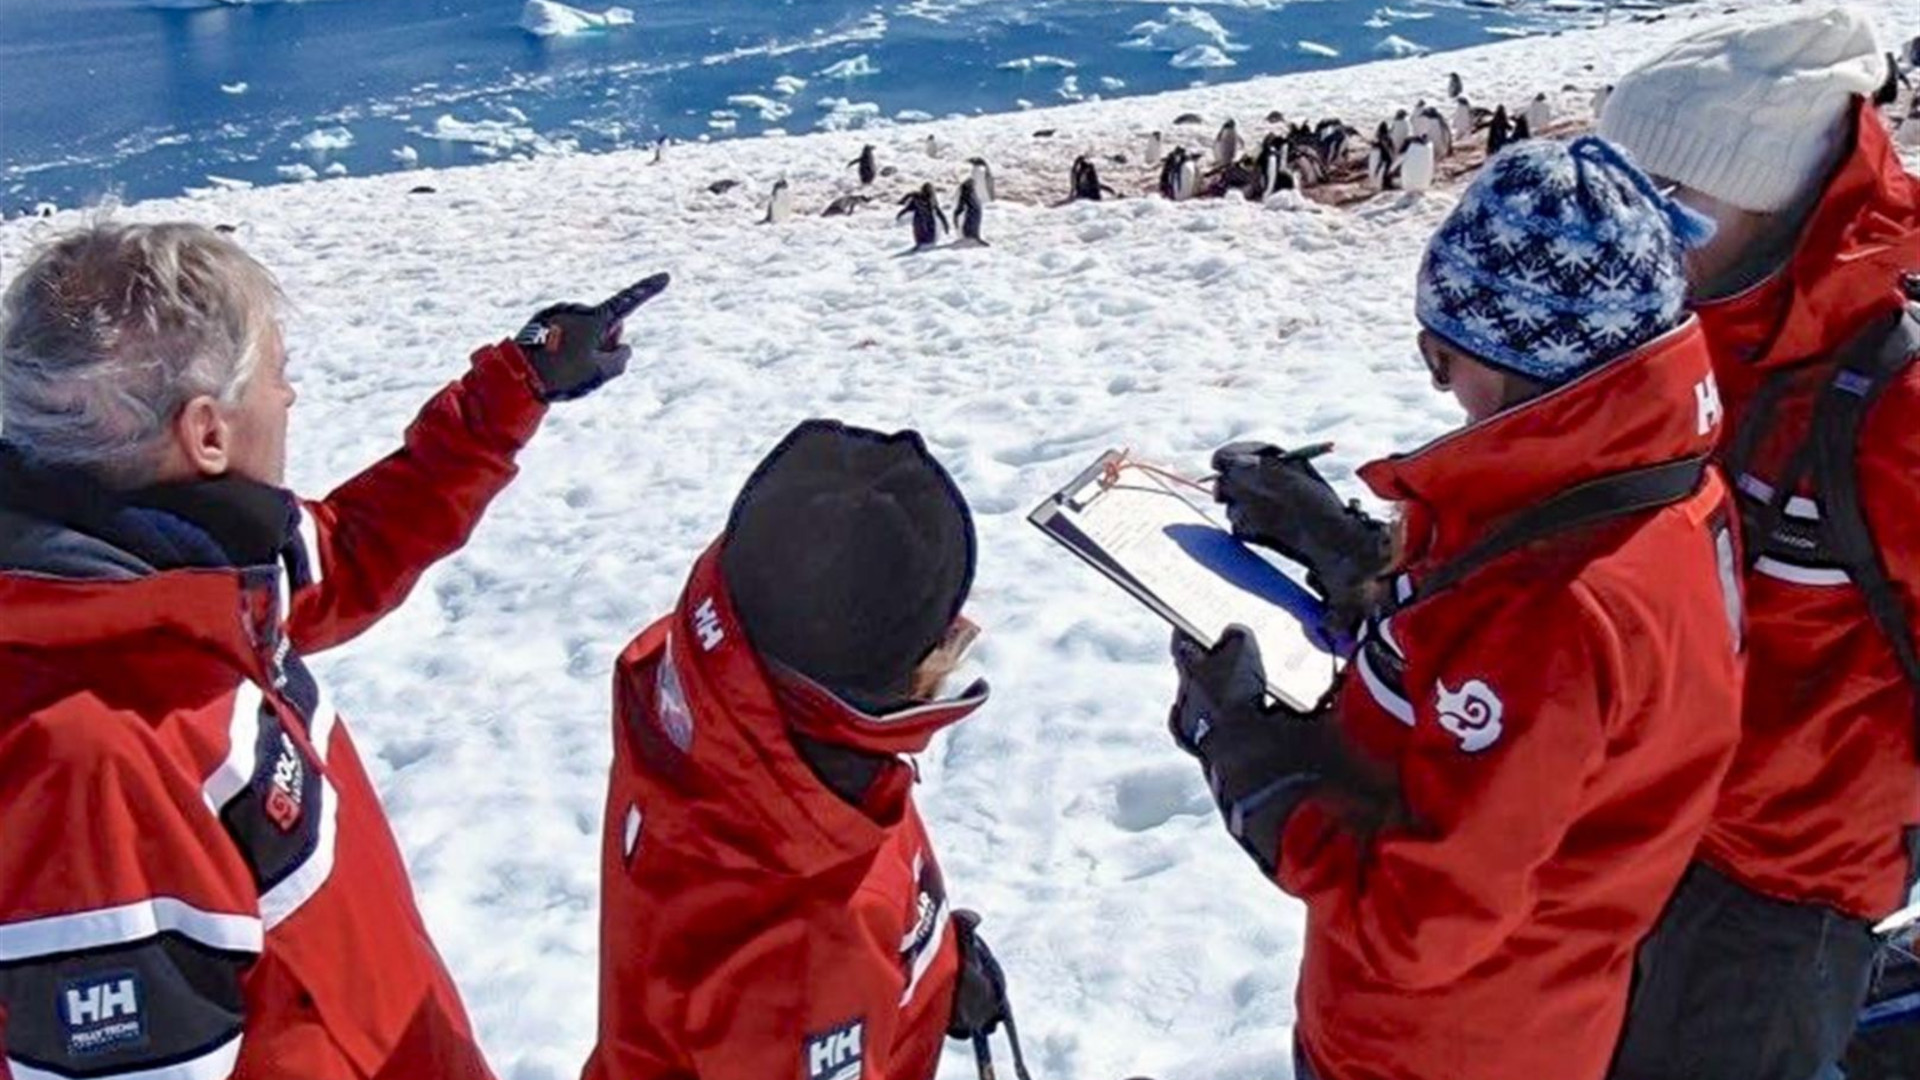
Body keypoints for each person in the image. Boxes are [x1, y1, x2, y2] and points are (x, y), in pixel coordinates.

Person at [0, 221, 663, 1078]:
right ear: (207, 434)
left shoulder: (175, 567)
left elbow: (350, 552)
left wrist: (518, 385)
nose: (289, 399)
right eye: (275, 375)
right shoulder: (92, 762)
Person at [1168, 137, 1746, 1080]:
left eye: (1444, 358)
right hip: (1540, 1017)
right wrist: (1358, 568)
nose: (1438, 383)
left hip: (1440, 1049)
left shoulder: (1560, 611)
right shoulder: (1649, 487)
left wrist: (1255, 770)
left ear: (1522, 366)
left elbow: (1420, 927)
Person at [1593, 8, 1920, 1078]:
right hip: (1639, 835)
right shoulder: (1686, 335)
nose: (1636, 242)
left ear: (1781, 203)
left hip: (1790, 887)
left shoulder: (1894, 407)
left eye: (1672, 209)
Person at [582, 419, 1025, 1080]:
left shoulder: (727, 716)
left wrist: (925, 962)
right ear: (874, 688)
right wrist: (865, 974)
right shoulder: (807, 954)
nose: (964, 631)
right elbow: (800, 975)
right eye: (942, 631)